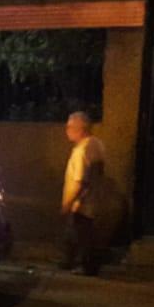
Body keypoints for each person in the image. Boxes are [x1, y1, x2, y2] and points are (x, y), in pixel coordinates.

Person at [61, 111, 106, 276]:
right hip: (94, 198)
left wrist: (68, 203)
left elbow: (80, 181)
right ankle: (72, 262)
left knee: (83, 236)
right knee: (83, 234)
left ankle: (87, 267)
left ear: (80, 129)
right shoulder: (97, 144)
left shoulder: (82, 151)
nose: (67, 130)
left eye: (70, 127)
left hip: (81, 203)